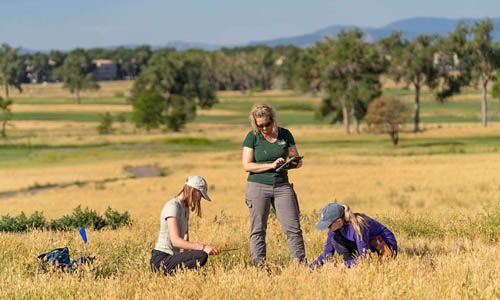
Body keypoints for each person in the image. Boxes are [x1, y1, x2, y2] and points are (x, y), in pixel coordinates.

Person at [241, 103, 306, 266]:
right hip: (258, 186)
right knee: (258, 229)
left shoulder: (285, 134)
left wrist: (293, 163)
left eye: (267, 124)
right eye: (260, 125)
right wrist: (271, 166)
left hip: (282, 185)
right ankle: (259, 265)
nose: (264, 128)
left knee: (293, 228)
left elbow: (295, 157)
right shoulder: (252, 137)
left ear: (273, 120)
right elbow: (247, 165)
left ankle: (299, 264)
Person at [150, 175, 219, 275]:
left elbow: (185, 240)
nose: (200, 199)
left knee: (200, 256)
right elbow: (176, 241)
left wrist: (202, 251)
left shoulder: (185, 209)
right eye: (200, 195)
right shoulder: (173, 206)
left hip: (172, 257)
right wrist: (203, 247)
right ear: (193, 190)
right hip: (161, 259)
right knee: (201, 255)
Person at [310, 203, 398, 269]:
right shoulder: (334, 229)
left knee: (368, 262)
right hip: (367, 245)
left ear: (339, 221)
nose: (328, 228)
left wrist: (342, 265)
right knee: (335, 240)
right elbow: (327, 254)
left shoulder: (358, 227)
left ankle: (351, 265)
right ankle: (352, 265)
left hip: (385, 246)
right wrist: (310, 268)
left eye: (329, 225)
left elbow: (365, 257)